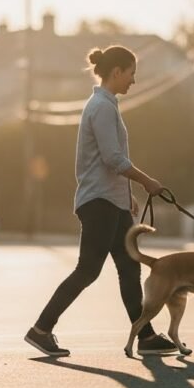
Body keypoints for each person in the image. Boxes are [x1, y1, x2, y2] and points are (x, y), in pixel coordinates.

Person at [24, 44, 178, 357]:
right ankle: (41, 329)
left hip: (112, 201)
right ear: (116, 71)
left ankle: (145, 335)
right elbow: (112, 158)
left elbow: (110, 161)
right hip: (99, 203)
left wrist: (128, 195)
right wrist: (146, 181)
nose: (133, 81)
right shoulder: (102, 107)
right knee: (88, 270)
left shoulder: (106, 105)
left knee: (129, 266)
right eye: (131, 74)